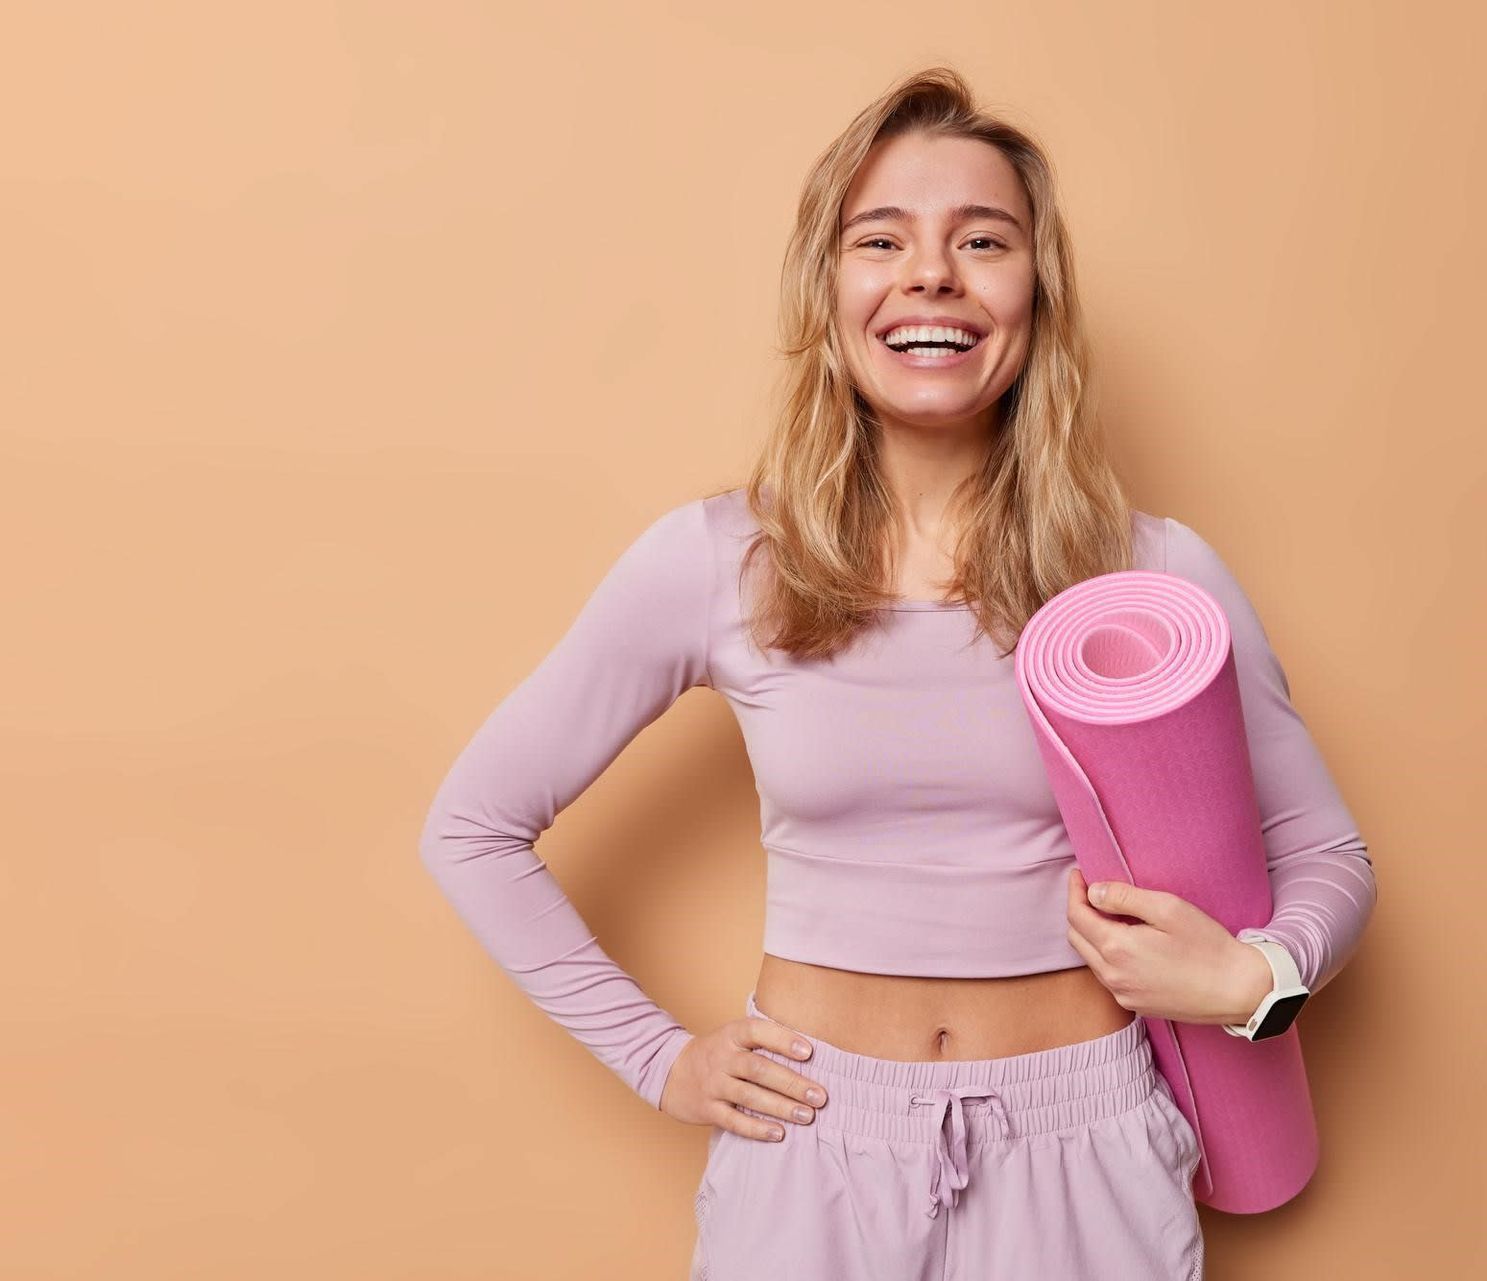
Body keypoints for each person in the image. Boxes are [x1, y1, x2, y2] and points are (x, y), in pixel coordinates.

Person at [417, 66, 1376, 1281]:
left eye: (983, 240)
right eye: (883, 240)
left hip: (1083, 1151)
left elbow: (1332, 860)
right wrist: (659, 1061)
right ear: (829, 293)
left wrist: (1254, 980)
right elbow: (473, 827)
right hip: (812, 1152)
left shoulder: (1153, 578)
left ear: (1036, 295)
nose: (933, 273)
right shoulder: (715, 561)